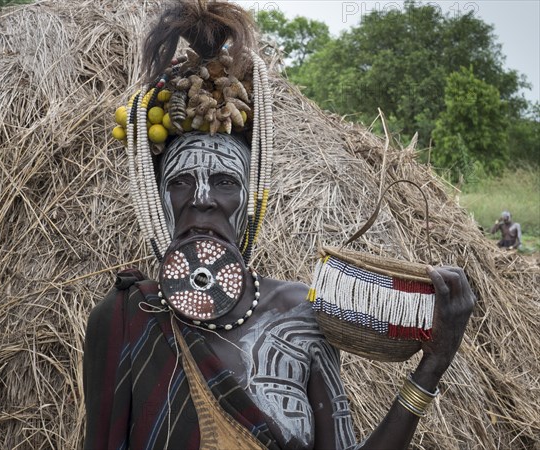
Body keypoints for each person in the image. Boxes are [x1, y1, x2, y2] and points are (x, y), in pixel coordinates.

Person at [83, 2, 476, 449]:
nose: (203, 199)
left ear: (253, 198)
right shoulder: (125, 318)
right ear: (158, 198)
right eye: (181, 181)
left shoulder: (300, 316)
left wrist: (432, 365)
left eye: (227, 181)